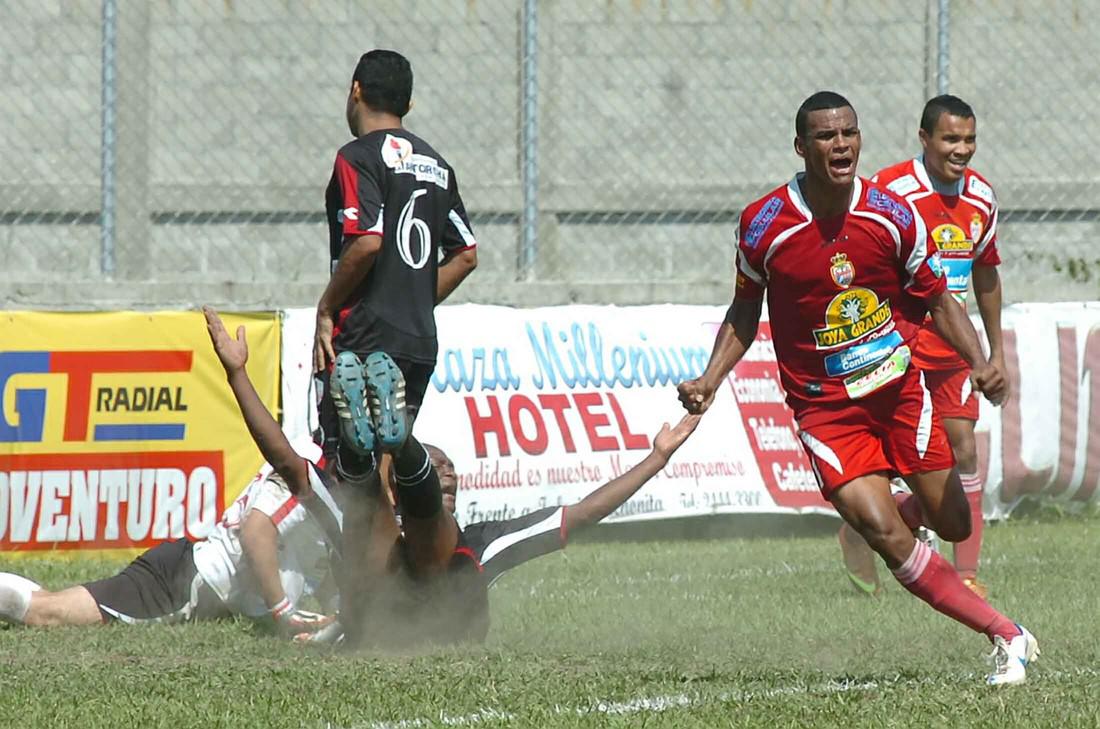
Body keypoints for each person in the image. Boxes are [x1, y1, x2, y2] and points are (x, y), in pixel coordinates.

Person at [677, 91, 1037, 686]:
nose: (839, 144)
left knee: (953, 525)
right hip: (824, 412)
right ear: (801, 147)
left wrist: (981, 359)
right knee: (888, 537)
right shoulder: (764, 225)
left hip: (899, 394)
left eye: (848, 133)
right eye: (824, 136)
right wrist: (709, 380)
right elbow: (744, 311)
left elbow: (937, 298)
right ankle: (1008, 634)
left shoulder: (892, 215)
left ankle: (895, 505)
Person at [0, 309, 345, 638]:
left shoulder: (333, 485)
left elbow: (321, 562)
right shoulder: (309, 463)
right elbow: (256, 532)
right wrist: (283, 612)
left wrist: (338, 615)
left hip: (191, 572)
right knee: (48, 614)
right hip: (183, 581)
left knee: (50, 603)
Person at [306, 413, 702, 646]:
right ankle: (369, 450)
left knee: (440, 547)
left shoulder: (482, 542)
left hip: (451, 629)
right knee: (369, 519)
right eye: (436, 467)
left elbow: (579, 515)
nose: (449, 471)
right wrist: (239, 375)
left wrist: (657, 458)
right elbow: (292, 468)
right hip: (382, 627)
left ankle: (401, 441)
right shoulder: (367, 533)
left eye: (449, 468)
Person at [837, 95, 1005, 599]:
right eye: (951, 139)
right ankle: (862, 528)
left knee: (964, 450)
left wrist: (994, 353)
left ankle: (968, 575)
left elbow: (986, 272)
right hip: (899, 342)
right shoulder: (891, 190)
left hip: (953, 345)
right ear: (924, 139)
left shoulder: (981, 197)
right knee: (901, 466)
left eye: (969, 139)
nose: (962, 149)